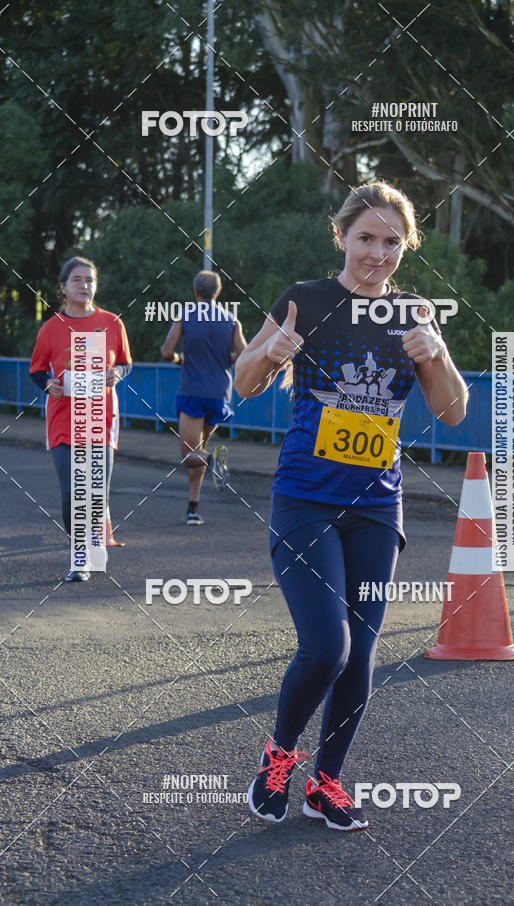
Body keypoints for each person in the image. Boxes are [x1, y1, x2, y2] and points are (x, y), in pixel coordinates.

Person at [234, 180, 468, 831]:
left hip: (376, 508)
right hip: (305, 500)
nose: (378, 253)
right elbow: (244, 386)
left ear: (405, 246)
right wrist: (268, 352)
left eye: (392, 241)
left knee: (360, 655)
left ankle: (327, 782)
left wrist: (439, 354)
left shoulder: (414, 313)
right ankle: (278, 757)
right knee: (325, 647)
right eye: (366, 237)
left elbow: (451, 412)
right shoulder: (304, 301)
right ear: (341, 236)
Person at [29, 256, 132, 582]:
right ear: (63, 287)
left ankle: (89, 549)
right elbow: (36, 369)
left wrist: (116, 372)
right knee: (71, 493)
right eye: (77, 280)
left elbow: (127, 363)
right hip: (63, 418)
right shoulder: (51, 328)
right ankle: (80, 554)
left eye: (90, 279)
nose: (85, 285)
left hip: (101, 418)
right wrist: (49, 384)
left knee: (96, 490)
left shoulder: (113, 323)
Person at [160, 270, 246, 525]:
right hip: (219, 394)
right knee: (197, 450)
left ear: (196, 292)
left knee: (190, 455)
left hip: (192, 393)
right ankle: (193, 508)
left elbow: (166, 351)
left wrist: (179, 359)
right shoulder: (231, 321)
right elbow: (244, 355)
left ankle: (213, 461)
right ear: (218, 293)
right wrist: (225, 358)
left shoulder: (185, 316)